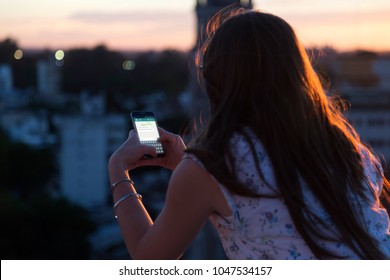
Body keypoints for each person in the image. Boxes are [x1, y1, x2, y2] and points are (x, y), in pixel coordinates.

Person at [108, 8, 390, 259]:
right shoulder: (346, 149)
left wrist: (118, 169)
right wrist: (189, 166)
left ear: (216, 80)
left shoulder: (213, 167)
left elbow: (150, 259)